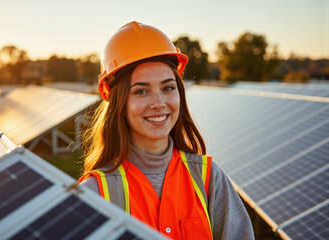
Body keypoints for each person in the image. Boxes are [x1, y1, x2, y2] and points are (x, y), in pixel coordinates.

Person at [79, 21, 254, 240]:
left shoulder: (209, 178)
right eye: (141, 91)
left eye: (168, 88)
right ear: (119, 104)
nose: (158, 103)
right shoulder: (95, 193)